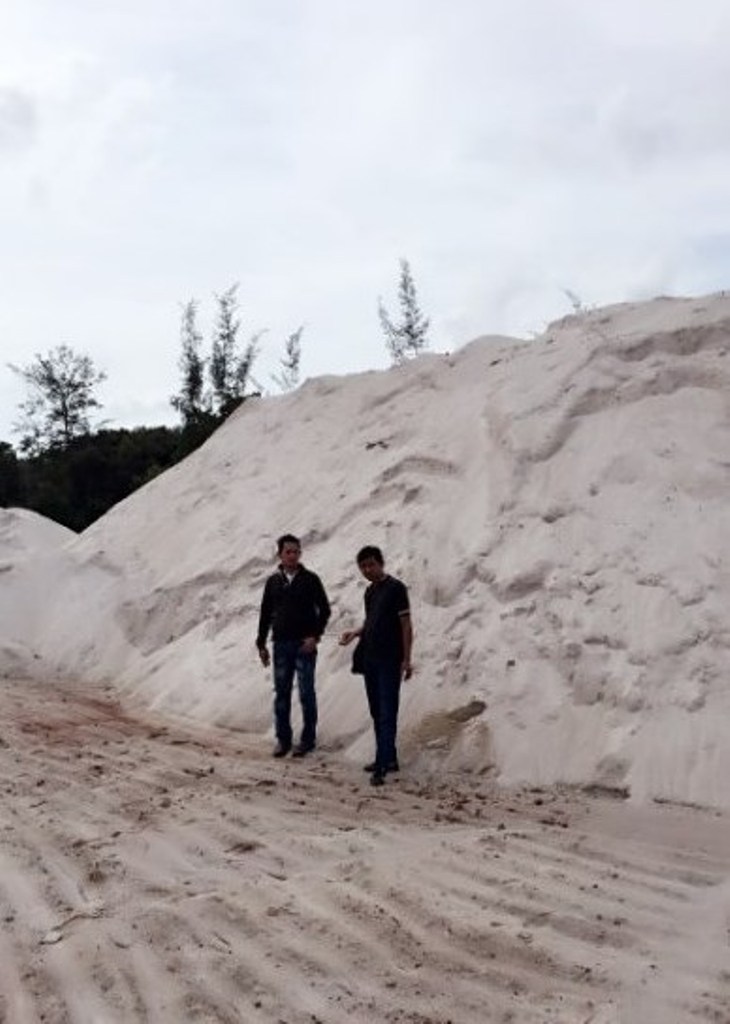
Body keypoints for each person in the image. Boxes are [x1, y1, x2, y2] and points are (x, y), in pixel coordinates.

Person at [340, 545, 413, 786]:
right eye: (363, 566)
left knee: (387, 713)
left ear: (381, 563)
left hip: (390, 660)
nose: (367, 570)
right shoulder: (370, 592)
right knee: (376, 711)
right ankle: (389, 758)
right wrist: (355, 633)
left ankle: (381, 766)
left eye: (371, 564)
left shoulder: (396, 588)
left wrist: (407, 659)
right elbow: (372, 621)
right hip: (370, 658)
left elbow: (406, 625)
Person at [257, 534, 331, 758]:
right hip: (280, 644)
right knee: (282, 693)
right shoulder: (273, 582)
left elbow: (325, 609)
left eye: (296, 551)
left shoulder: (310, 579)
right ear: (280, 554)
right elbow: (265, 614)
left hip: (304, 644)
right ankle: (283, 740)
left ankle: (308, 740)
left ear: (300, 553)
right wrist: (261, 643)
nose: (292, 555)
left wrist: (315, 636)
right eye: (288, 552)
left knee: (306, 693)